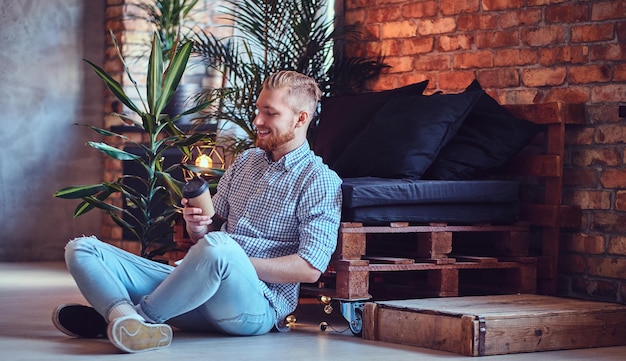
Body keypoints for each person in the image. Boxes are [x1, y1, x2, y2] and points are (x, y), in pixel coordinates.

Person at [52, 70, 343, 353]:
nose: (257, 120)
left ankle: (128, 319)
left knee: (221, 247)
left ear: (301, 118)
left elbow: (310, 269)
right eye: (258, 110)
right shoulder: (246, 161)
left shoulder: (319, 179)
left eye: (270, 113)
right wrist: (198, 227)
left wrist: (231, 260)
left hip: (255, 307)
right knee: (82, 249)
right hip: (194, 295)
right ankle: (126, 322)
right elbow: (206, 237)